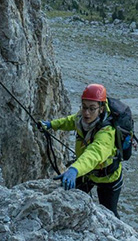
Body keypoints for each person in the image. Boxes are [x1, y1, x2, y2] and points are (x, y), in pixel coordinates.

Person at [41, 83, 124, 217]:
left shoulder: (106, 133)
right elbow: (70, 121)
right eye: (84, 107)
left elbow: (93, 154)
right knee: (69, 199)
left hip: (108, 177)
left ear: (101, 109)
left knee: (110, 212)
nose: (86, 113)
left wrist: (75, 169)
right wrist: (51, 125)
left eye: (92, 109)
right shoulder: (81, 118)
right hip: (87, 173)